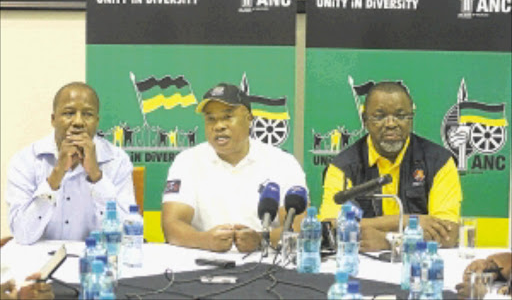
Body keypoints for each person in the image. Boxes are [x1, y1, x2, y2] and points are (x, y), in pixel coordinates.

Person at [161, 83, 307, 253]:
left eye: (227, 117)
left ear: (249, 119)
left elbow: (298, 228)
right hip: (202, 264)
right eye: (211, 119)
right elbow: (172, 226)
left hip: (266, 264)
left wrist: (260, 240)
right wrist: (205, 240)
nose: (218, 126)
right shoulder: (187, 161)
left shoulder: (283, 162)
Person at [318, 82, 462, 251]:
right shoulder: (343, 167)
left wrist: (389, 241)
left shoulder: (438, 161)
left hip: (420, 265)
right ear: (365, 121)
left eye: (401, 116)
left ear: (411, 119)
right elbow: (330, 229)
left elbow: (447, 235)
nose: (391, 124)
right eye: (380, 116)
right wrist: (409, 221)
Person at [6, 82, 136, 244]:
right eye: (69, 113)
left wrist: (96, 176)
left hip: (96, 260)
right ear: (53, 119)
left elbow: (127, 236)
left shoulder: (117, 160)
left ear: (96, 121)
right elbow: (22, 234)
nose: (78, 122)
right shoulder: (26, 160)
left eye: (87, 114)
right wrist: (57, 174)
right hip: (42, 263)